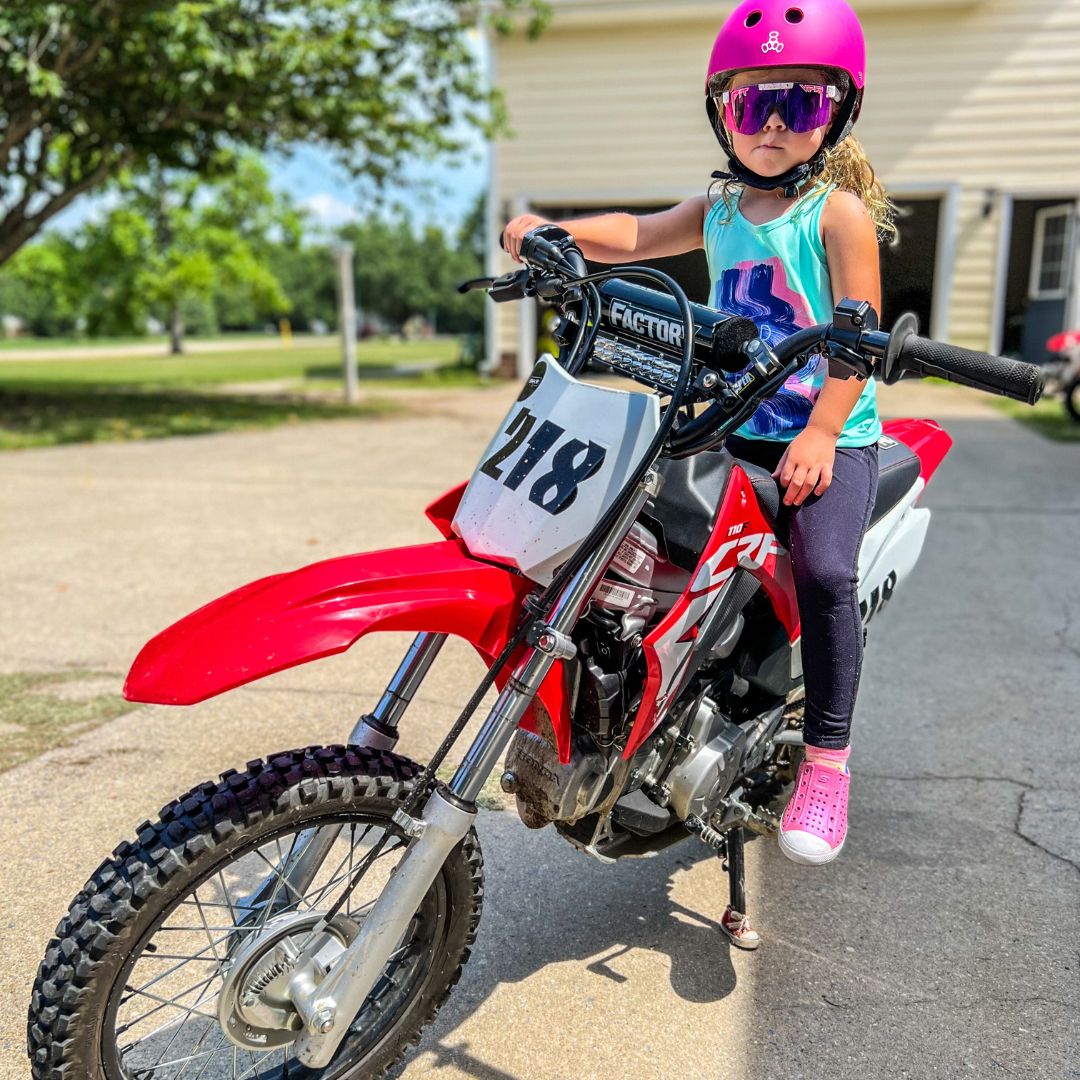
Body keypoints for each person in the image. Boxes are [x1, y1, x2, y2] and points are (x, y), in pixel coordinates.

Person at [503, 0, 898, 889]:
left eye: (796, 105)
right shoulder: (720, 207)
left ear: (835, 114)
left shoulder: (836, 216)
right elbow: (639, 234)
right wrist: (549, 234)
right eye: (751, 104)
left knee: (828, 574)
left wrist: (826, 432)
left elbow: (857, 340)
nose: (770, 125)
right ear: (723, 111)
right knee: (630, 531)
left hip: (825, 436)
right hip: (730, 420)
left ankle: (828, 766)